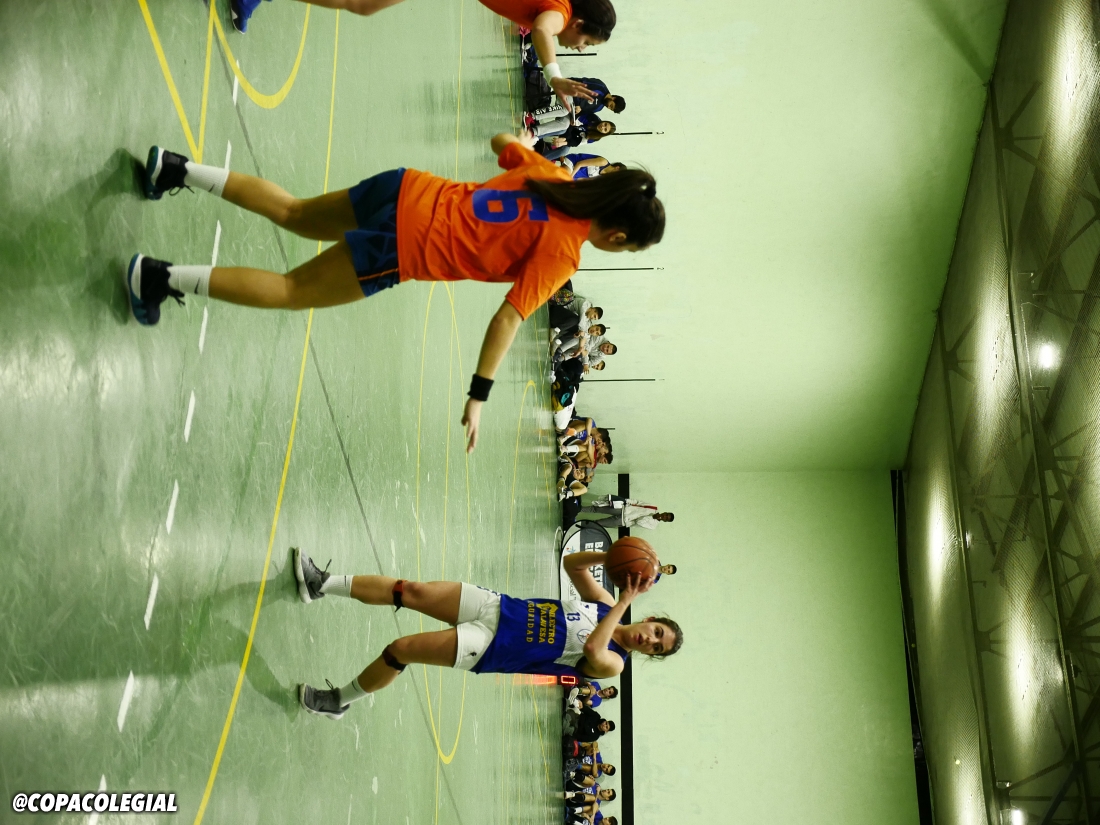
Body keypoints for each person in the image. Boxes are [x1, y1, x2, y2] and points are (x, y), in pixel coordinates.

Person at [130, 132, 664, 453]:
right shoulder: (564, 252)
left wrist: (522, 148)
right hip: (405, 245)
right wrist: (478, 396)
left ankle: (177, 168)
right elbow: (507, 318)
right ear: (618, 237)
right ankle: (158, 277)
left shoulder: (553, 176)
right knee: (293, 289)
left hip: (407, 187)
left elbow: (502, 141)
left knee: (293, 211)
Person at [290, 547, 681, 718]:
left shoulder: (615, 664)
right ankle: (322, 583)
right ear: (652, 619)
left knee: (400, 649)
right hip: (497, 607)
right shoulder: (603, 604)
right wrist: (610, 558)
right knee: (411, 590)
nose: (650, 639)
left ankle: (338, 701)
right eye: (657, 631)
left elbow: (595, 647)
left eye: (656, 647)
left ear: (650, 655)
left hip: (493, 646)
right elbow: (572, 565)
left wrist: (624, 601)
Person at [231, 0, 612, 105]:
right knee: (361, 3)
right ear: (580, 24)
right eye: (587, 43)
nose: (580, 48)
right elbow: (542, 30)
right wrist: (554, 76)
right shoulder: (560, 14)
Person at [579, 496, 674, 530]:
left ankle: (578, 525)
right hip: (622, 509)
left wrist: (652, 517)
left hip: (622, 521)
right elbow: (638, 503)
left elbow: (639, 522)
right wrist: (626, 501)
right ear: (665, 512)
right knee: (596, 509)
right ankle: (577, 509)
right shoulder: (654, 507)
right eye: (666, 515)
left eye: (666, 518)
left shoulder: (653, 526)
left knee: (598, 524)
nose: (664, 517)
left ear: (665, 521)